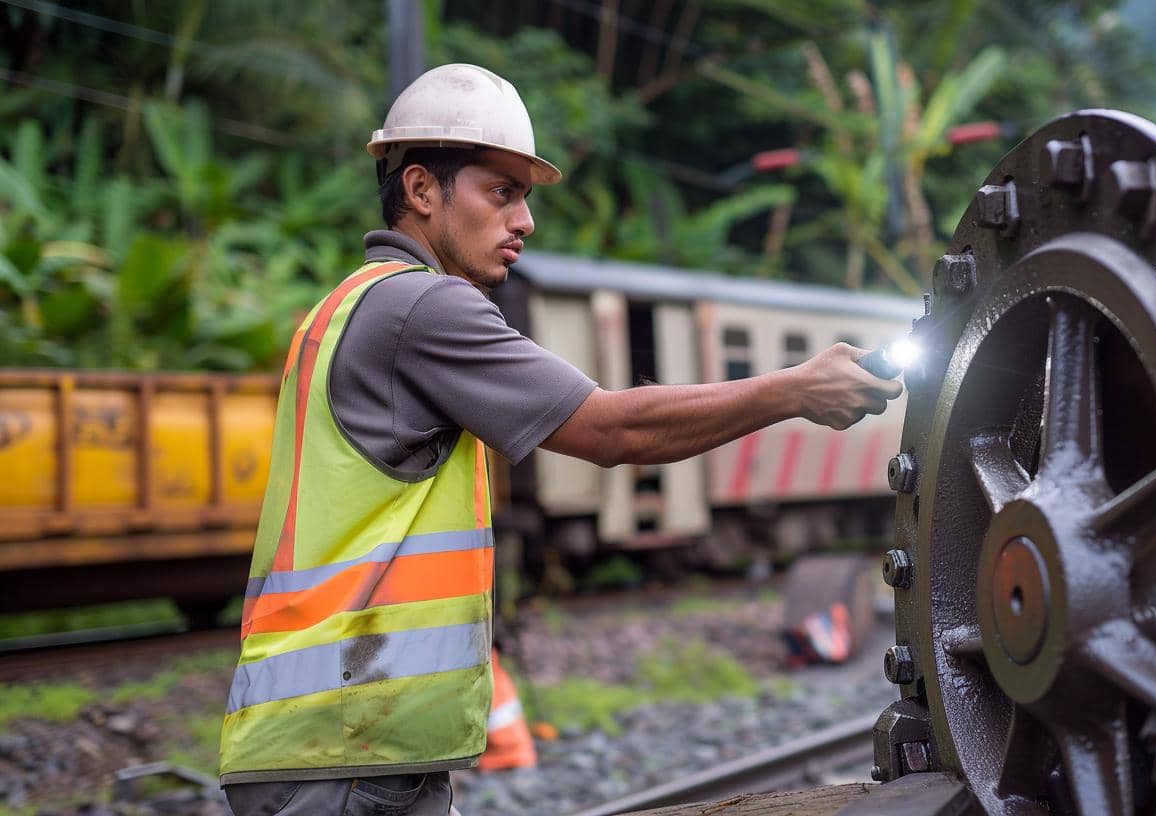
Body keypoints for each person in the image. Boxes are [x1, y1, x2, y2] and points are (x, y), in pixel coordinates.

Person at [218, 63, 903, 816]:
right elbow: (613, 428)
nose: (525, 222)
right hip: (347, 744)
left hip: (328, 733)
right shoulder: (423, 306)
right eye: (501, 193)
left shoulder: (343, 308)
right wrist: (794, 389)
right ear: (420, 190)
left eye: (526, 199)